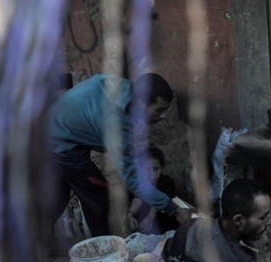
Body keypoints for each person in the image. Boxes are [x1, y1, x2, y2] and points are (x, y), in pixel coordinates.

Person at [49, 73, 191, 236]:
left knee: (57, 199)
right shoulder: (115, 122)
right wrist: (173, 209)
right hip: (61, 145)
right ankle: (105, 254)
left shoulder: (123, 87)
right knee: (100, 201)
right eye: (160, 110)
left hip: (53, 131)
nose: (164, 115)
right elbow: (132, 178)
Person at [126, 147, 179, 234]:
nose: (151, 174)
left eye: (155, 169)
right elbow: (137, 199)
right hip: (145, 228)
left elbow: (160, 200)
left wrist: (150, 217)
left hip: (165, 224)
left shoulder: (166, 182)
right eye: (147, 170)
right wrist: (130, 214)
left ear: (161, 168)